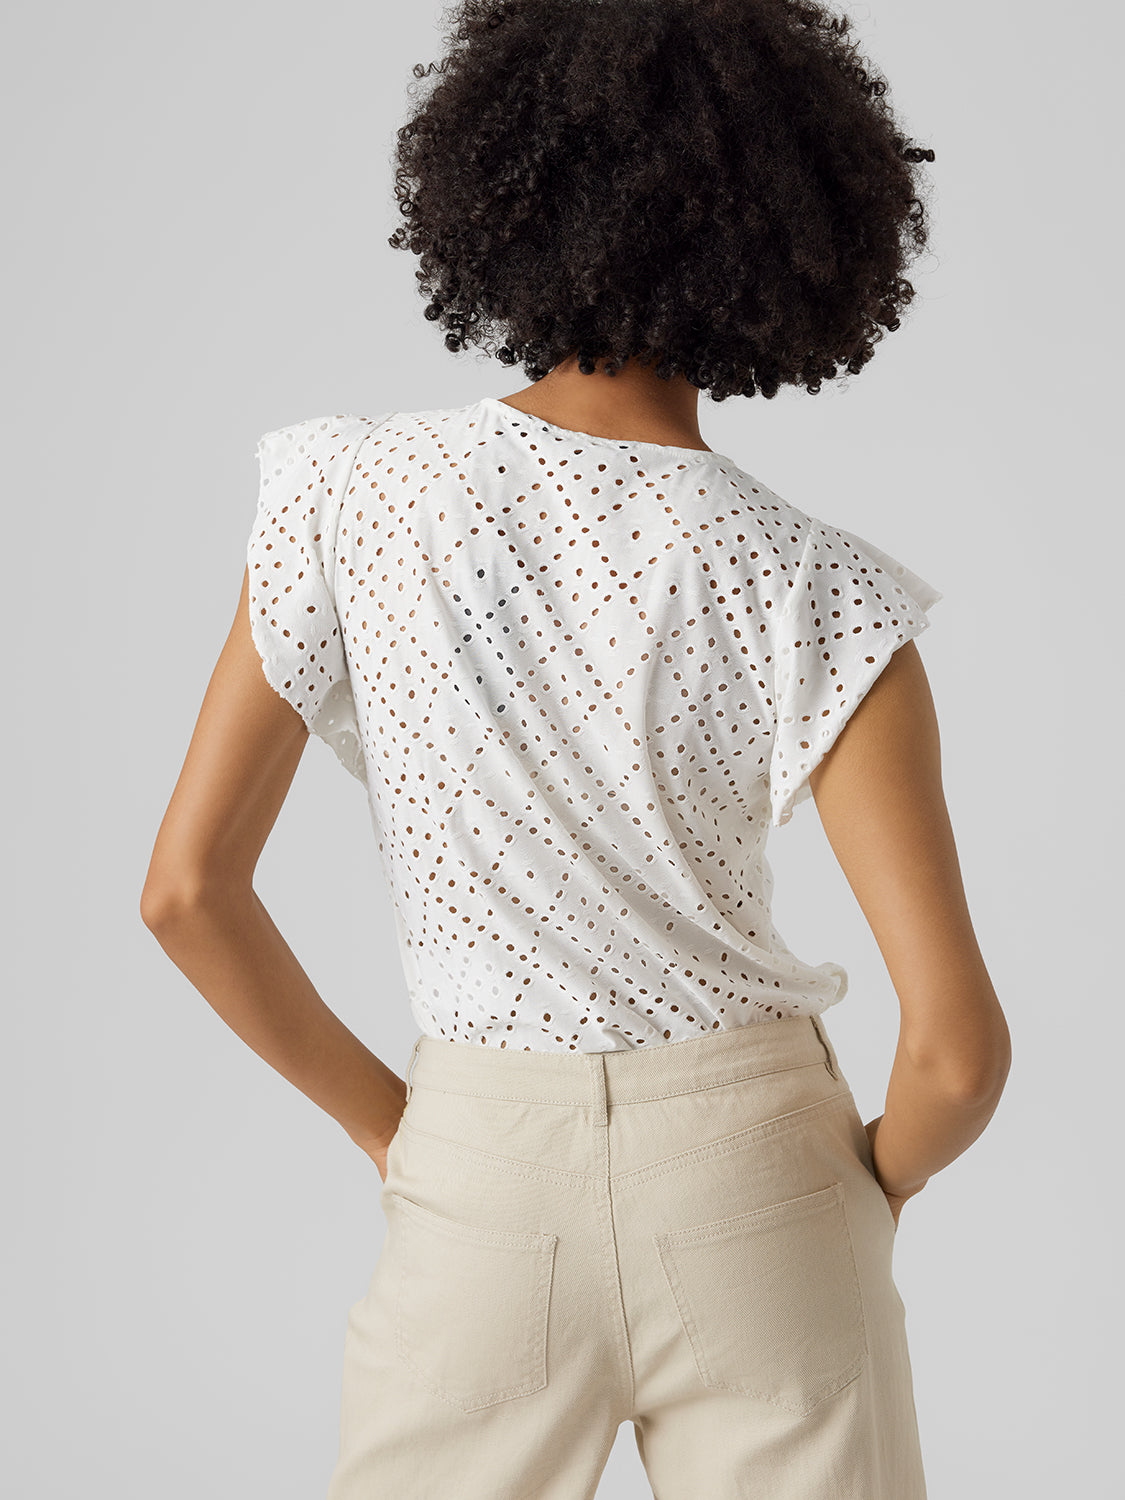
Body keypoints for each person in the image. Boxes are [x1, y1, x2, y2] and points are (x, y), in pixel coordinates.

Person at [141, 1, 1011, 1495]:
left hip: (479, 1163)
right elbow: (954, 1054)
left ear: (503, 193)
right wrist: (862, 1192)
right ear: (797, 231)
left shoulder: (348, 494)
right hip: (762, 1177)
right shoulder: (820, 588)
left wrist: (404, 1136)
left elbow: (185, 894)